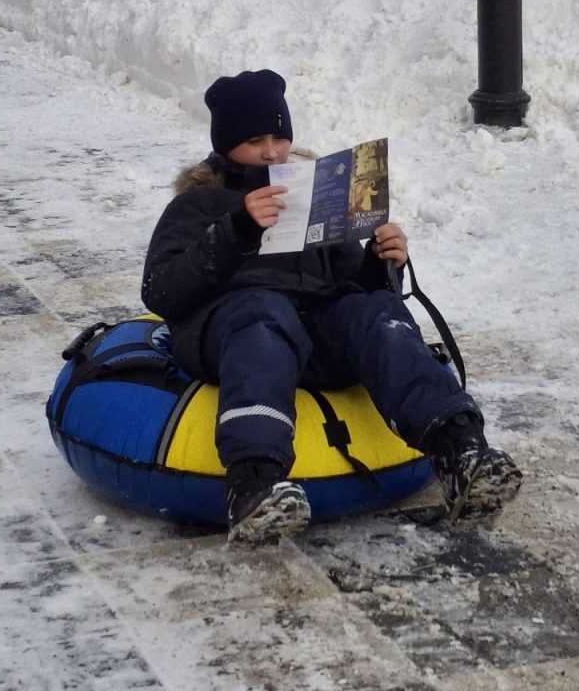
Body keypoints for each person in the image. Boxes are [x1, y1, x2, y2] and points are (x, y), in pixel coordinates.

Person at [141, 69, 522, 544]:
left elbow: (351, 285)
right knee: (263, 314)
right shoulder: (197, 207)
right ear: (225, 144)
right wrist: (236, 230)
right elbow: (161, 290)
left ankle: (461, 454)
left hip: (314, 331)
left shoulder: (313, 196)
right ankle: (254, 483)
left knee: (373, 314)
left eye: (279, 138)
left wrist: (380, 262)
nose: (271, 152)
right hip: (238, 331)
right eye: (255, 141)